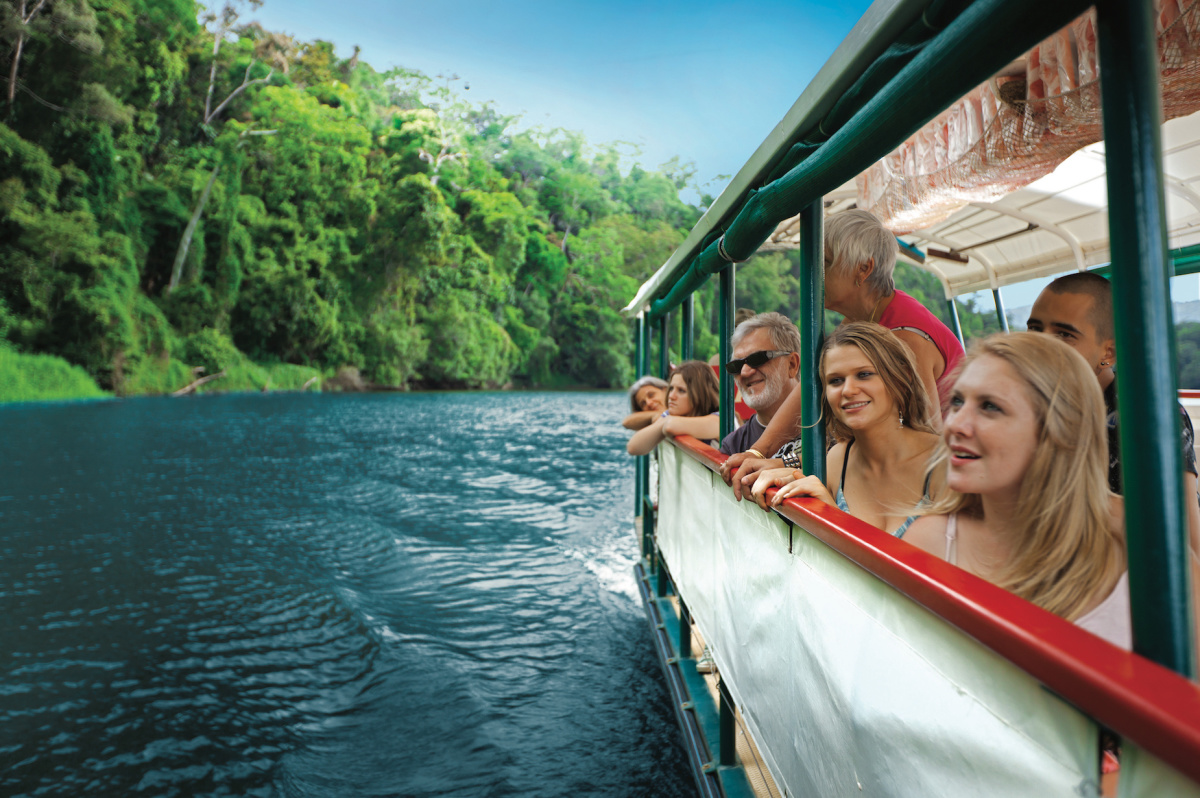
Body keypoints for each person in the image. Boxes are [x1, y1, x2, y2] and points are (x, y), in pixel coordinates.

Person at [904, 333, 1131, 649]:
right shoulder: (928, 542)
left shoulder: (1137, 552)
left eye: (990, 407)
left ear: (1057, 430)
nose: (955, 424)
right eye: (957, 401)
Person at [722, 209, 964, 498]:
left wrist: (783, 460)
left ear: (863, 269)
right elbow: (812, 387)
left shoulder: (905, 337)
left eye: (823, 263)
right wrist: (757, 452)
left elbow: (924, 439)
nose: (813, 274)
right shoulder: (860, 319)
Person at [1025, 272, 1200, 534]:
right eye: (1035, 329)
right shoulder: (1037, 407)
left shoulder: (1148, 413)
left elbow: (1186, 537)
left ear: (1108, 354)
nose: (1041, 344)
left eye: (1064, 334)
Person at [746, 323, 941, 537]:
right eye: (836, 381)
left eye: (864, 374)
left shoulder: (944, 463)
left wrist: (835, 516)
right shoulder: (838, 460)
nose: (848, 390)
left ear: (901, 377)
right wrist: (782, 477)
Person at [720, 312, 802, 456]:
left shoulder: (832, 424)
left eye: (757, 358)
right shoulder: (733, 446)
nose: (745, 372)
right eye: (736, 366)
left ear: (792, 365)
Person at [627, 361, 721, 456]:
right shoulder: (672, 415)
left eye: (681, 390)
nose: (671, 396)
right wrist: (664, 420)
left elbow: (670, 426)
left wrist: (663, 421)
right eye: (671, 389)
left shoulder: (720, 420)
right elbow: (633, 447)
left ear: (701, 394)